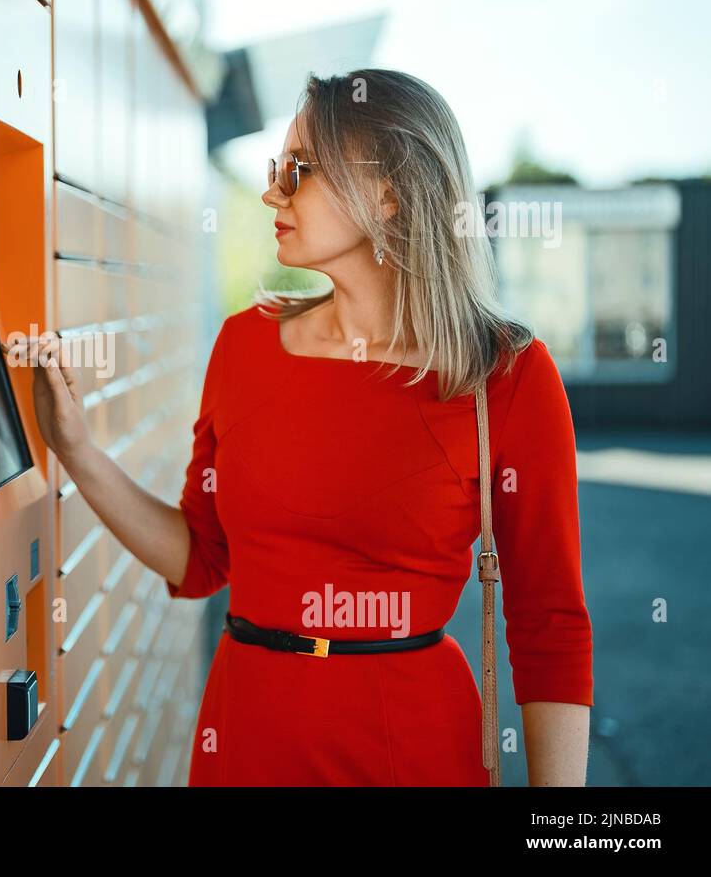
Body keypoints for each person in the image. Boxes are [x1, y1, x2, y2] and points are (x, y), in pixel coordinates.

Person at [30, 69, 593, 786]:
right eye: (275, 169)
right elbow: (202, 557)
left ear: (388, 192)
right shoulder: (244, 345)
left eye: (298, 170)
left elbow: (551, 625)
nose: (272, 191)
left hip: (412, 753)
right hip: (244, 741)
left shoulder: (507, 377)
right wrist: (76, 451)